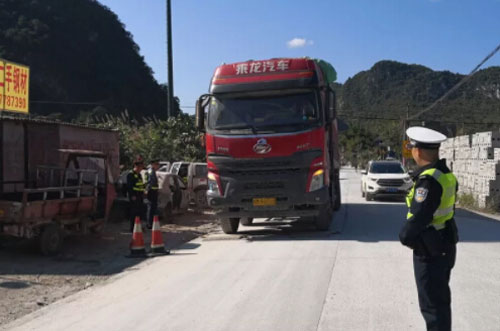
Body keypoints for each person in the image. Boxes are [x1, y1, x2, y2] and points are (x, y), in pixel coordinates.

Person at [399, 126, 459, 331]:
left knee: (432, 307)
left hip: (430, 250)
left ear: (418, 150)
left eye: (411, 147)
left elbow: (420, 216)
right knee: (440, 302)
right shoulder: (444, 173)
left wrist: (405, 236)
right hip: (444, 244)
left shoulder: (429, 180)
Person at [126, 156, 145, 232]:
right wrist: (132, 195)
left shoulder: (139, 175)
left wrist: (143, 192)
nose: (141, 169)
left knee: (139, 212)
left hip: (140, 196)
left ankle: (138, 227)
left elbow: (140, 185)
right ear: (136, 166)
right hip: (134, 197)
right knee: (134, 213)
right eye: (140, 167)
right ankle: (133, 227)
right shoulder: (130, 175)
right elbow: (129, 187)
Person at [145, 159, 160, 229]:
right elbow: (149, 182)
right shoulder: (151, 171)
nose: (158, 166)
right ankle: (149, 223)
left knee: (153, 208)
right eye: (157, 164)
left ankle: (152, 223)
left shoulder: (153, 171)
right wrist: (147, 190)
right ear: (153, 164)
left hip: (154, 192)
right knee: (150, 208)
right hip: (151, 192)